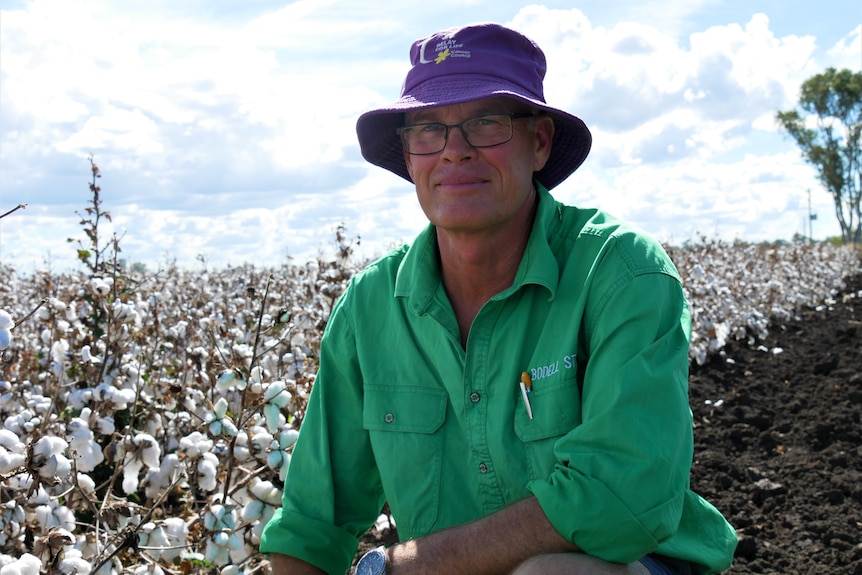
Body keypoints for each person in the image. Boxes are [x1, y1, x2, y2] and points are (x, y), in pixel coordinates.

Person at [260, 22, 737, 575]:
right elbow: (311, 525)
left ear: (539, 142)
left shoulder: (622, 274)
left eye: (486, 124)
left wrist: (398, 567)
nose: (455, 151)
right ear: (409, 158)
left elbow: (618, 502)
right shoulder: (371, 306)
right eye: (428, 130)